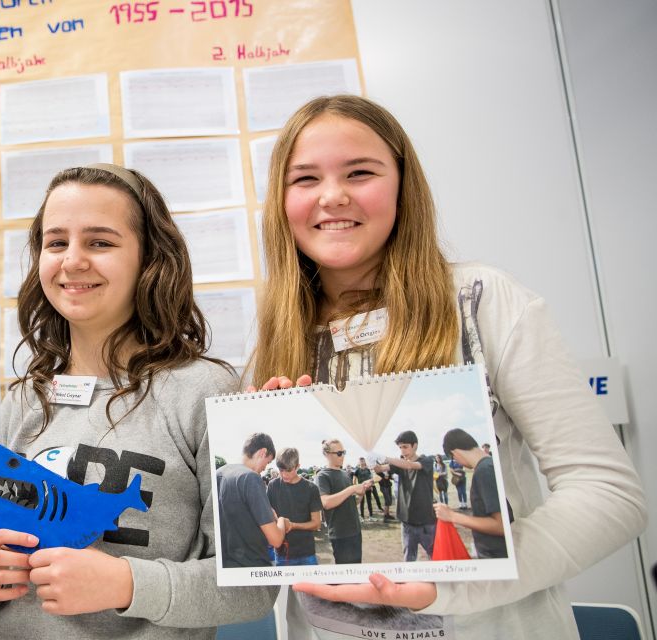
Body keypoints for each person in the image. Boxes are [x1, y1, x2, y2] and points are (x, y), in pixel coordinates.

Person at [245, 94, 645, 637]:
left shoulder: (484, 301)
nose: (332, 196)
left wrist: (451, 583)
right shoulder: (274, 341)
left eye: (360, 172)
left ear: (403, 185)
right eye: (305, 179)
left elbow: (609, 493)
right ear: (280, 200)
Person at [0, 164, 276, 639]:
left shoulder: (207, 392)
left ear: (150, 259)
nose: (72, 261)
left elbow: (254, 585)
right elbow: (4, 559)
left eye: (100, 242)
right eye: (56, 243)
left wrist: (129, 584)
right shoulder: (26, 397)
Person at [216, 433, 289, 568]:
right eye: (267, 462)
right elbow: (276, 540)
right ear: (262, 452)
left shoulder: (219, 473)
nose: (265, 468)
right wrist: (282, 521)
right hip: (251, 565)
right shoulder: (251, 478)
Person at [436, 428, 510, 558]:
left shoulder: (484, 470)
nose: (458, 463)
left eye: (454, 459)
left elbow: (502, 525)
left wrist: (452, 516)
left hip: (496, 554)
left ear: (455, 452)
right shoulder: (489, 465)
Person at [375, 431, 437, 561]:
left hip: (426, 521)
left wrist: (386, 458)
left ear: (415, 446)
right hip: (407, 522)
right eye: (400, 447)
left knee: (435, 556)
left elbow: (410, 465)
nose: (402, 451)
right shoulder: (399, 464)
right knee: (409, 559)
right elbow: (380, 469)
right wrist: (373, 462)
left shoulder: (426, 461)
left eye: (405, 446)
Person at [315, 439, 369, 564]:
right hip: (341, 534)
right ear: (327, 454)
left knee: (356, 572)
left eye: (344, 452)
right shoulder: (323, 476)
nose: (343, 456)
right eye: (339, 453)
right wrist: (352, 489)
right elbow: (326, 503)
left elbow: (351, 502)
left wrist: (360, 494)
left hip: (355, 530)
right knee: (347, 577)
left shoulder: (345, 474)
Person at [265, 447, 322, 566]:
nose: (284, 474)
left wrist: (292, 525)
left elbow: (316, 523)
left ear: (298, 466)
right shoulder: (272, 486)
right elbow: (267, 516)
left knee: (310, 585)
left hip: (306, 553)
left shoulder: (311, 488)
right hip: (281, 554)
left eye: (289, 470)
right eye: (281, 470)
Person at [354, 457, 381, 521]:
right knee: (362, 503)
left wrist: (371, 486)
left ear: (365, 461)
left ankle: (371, 516)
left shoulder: (368, 469)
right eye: (361, 461)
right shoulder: (357, 470)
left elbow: (371, 478)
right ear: (359, 462)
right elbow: (354, 479)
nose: (362, 462)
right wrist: (355, 488)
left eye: (363, 460)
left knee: (369, 502)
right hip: (361, 488)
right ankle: (362, 517)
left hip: (368, 488)